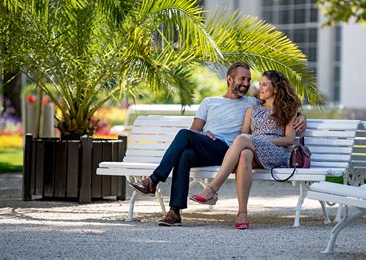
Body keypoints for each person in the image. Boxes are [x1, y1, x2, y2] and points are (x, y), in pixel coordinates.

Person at [129, 62, 306, 226]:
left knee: (186, 136)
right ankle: (174, 212)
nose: (247, 83)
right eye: (242, 79)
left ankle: (154, 180)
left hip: (228, 149)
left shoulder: (251, 102)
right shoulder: (209, 102)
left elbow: (284, 108)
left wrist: (302, 117)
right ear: (230, 79)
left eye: (249, 80)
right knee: (185, 154)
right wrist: (204, 133)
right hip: (210, 145)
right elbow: (194, 131)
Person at [190, 70, 302, 229]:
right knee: (244, 154)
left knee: (243, 140)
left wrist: (260, 140)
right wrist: (253, 141)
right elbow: (244, 134)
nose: (260, 88)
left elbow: (289, 139)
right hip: (253, 149)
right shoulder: (253, 109)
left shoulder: (287, 110)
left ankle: (212, 189)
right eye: (260, 84)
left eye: (264, 84)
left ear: (276, 88)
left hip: (275, 152)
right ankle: (242, 213)